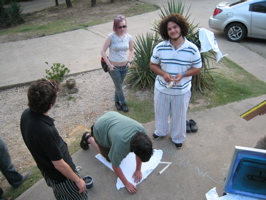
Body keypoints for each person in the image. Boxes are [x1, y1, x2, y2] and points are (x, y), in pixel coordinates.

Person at [20, 79, 88, 200]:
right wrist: (77, 180)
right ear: (51, 104)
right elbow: (60, 165)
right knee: (79, 196)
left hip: (48, 173)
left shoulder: (26, 115)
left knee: (62, 196)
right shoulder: (45, 131)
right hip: (62, 178)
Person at [150, 13, 202, 148]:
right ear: (165, 32)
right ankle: (161, 131)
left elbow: (198, 67)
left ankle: (177, 138)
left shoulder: (192, 48)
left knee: (179, 117)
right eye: (169, 29)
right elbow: (152, 65)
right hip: (162, 89)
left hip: (181, 91)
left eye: (175, 27)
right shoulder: (160, 47)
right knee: (160, 113)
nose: (173, 31)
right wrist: (164, 74)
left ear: (181, 27)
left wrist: (183, 74)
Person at [80, 111, 153, 194]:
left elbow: (140, 152)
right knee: (109, 158)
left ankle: (103, 129)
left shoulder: (143, 133)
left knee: (114, 146)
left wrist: (138, 169)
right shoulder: (121, 145)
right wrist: (126, 183)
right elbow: (115, 166)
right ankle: (89, 138)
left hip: (112, 117)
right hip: (100, 128)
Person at [101, 15, 134, 112]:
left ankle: (116, 101)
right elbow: (103, 51)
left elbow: (132, 50)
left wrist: (129, 61)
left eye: (124, 26)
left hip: (125, 67)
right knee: (119, 86)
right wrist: (109, 65)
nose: (123, 28)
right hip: (114, 68)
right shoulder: (111, 37)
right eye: (120, 27)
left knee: (118, 84)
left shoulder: (128, 37)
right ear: (115, 27)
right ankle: (123, 103)